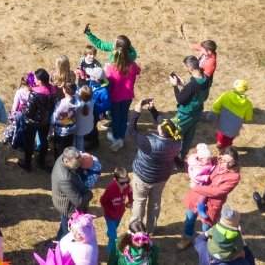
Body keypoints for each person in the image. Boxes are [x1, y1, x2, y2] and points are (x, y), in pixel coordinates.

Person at [130, 100, 183, 232]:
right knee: (155, 203)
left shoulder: (149, 143)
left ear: (161, 132)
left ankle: (136, 229)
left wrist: (137, 111)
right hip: (160, 178)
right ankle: (150, 228)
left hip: (142, 177)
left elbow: (131, 130)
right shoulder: (177, 142)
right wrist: (153, 110)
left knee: (139, 201)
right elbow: (164, 125)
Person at [180, 150, 240, 248]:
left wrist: (196, 187)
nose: (225, 164)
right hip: (196, 198)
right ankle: (187, 238)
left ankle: (204, 244)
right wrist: (198, 155)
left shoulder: (234, 176)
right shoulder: (215, 160)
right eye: (223, 160)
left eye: (230, 162)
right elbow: (195, 158)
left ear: (235, 162)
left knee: (206, 227)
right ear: (220, 156)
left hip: (211, 204)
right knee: (189, 219)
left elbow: (217, 192)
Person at [170, 56, 210, 156]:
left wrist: (175, 86)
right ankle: (181, 156)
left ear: (190, 68)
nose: (185, 69)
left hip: (185, 114)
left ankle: (169, 154)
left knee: (173, 134)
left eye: (185, 67)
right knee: (188, 137)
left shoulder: (192, 85)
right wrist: (183, 86)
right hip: (197, 112)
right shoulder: (205, 78)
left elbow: (181, 99)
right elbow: (195, 94)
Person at [52, 146, 92, 238]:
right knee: (68, 234)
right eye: (76, 165)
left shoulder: (64, 156)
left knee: (63, 227)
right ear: (66, 161)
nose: (78, 166)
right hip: (68, 208)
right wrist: (89, 194)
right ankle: (60, 248)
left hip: (66, 200)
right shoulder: (64, 178)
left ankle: (59, 241)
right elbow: (79, 202)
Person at [101, 168, 134, 257]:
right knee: (113, 237)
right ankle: (111, 254)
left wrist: (130, 201)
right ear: (115, 180)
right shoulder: (110, 189)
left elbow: (130, 191)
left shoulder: (127, 186)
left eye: (127, 181)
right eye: (122, 183)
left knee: (114, 228)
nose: (125, 184)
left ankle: (110, 232)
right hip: (110, 216)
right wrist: (110, 212)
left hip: (120, 214)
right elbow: (103, 201)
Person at [211, 80, 253, 148]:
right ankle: (227, 146)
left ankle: (219, 143)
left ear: (234, 88)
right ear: (245, 90)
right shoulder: (248, 104)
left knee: (220, 135)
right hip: (234, 128)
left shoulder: (226, 95)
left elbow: (216, 106)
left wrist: (216, 113)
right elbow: (248, 117)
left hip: (222, 123)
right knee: (229, 139)